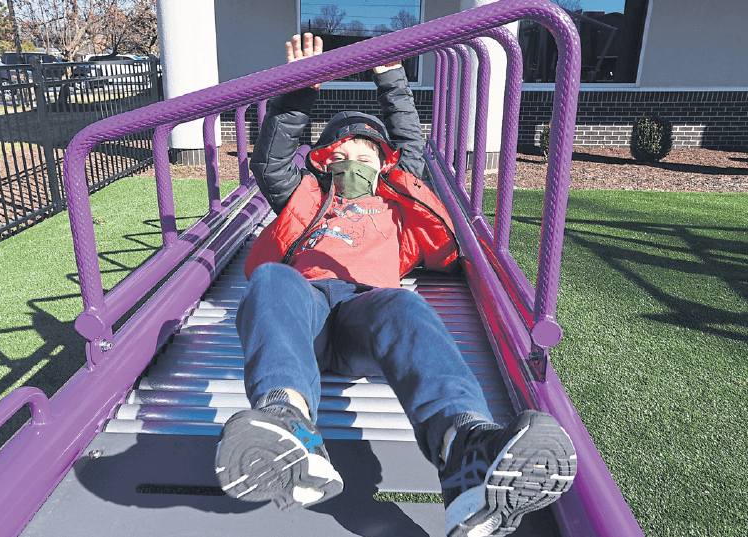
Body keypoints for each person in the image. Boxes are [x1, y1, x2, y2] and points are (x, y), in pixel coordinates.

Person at [215, 33, 577, 537]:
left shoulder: (399, 203)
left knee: (407, 309)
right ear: (324, 162)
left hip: (368, 310)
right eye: (342, 154)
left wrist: (390, 76)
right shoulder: (307, 199)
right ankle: (287, 419)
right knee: (273, 278)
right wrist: (301, 88)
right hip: (309, 310)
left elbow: (410, 142)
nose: (354, 162)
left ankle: (465, 449)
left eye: (365, 154)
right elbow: (272, 162)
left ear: (383, 164)